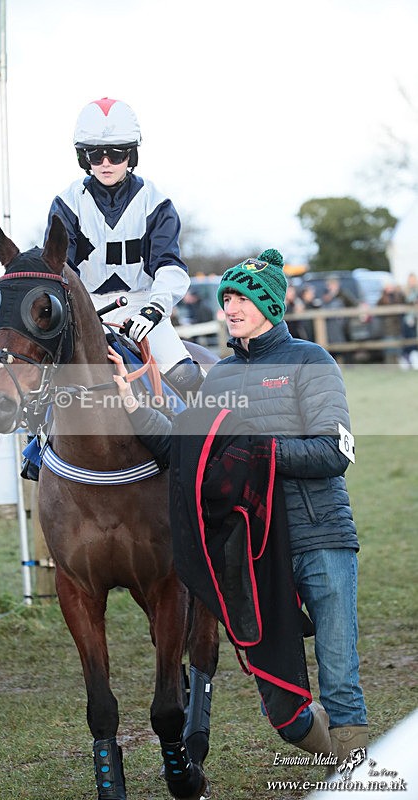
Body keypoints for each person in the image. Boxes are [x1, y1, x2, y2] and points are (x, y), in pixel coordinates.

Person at [108, 248, 368, 767]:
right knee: (283, 703)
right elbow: (185, 451)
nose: (229, 306)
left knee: (339, 678)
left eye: (241, 297)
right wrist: (134, 405)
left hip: (320, 538)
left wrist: (258, 450)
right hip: (252, 552)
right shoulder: (222, 377)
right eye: (225, 298)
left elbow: (334, 452)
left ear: (269, 304)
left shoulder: (311, 361)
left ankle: (353, 770)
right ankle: (329, 755)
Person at [44, 97, 203, 395]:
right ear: (83, 157)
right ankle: (39, 441)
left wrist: (155, 309)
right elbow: (58, 271)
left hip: (143, 306)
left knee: (188, 379)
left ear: (132, 155)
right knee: (41, 387)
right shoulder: (66, 203)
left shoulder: (156, 202)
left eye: (116, 154)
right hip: (86, 309)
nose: (105, 162)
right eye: (95, 154)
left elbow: (169, 265)